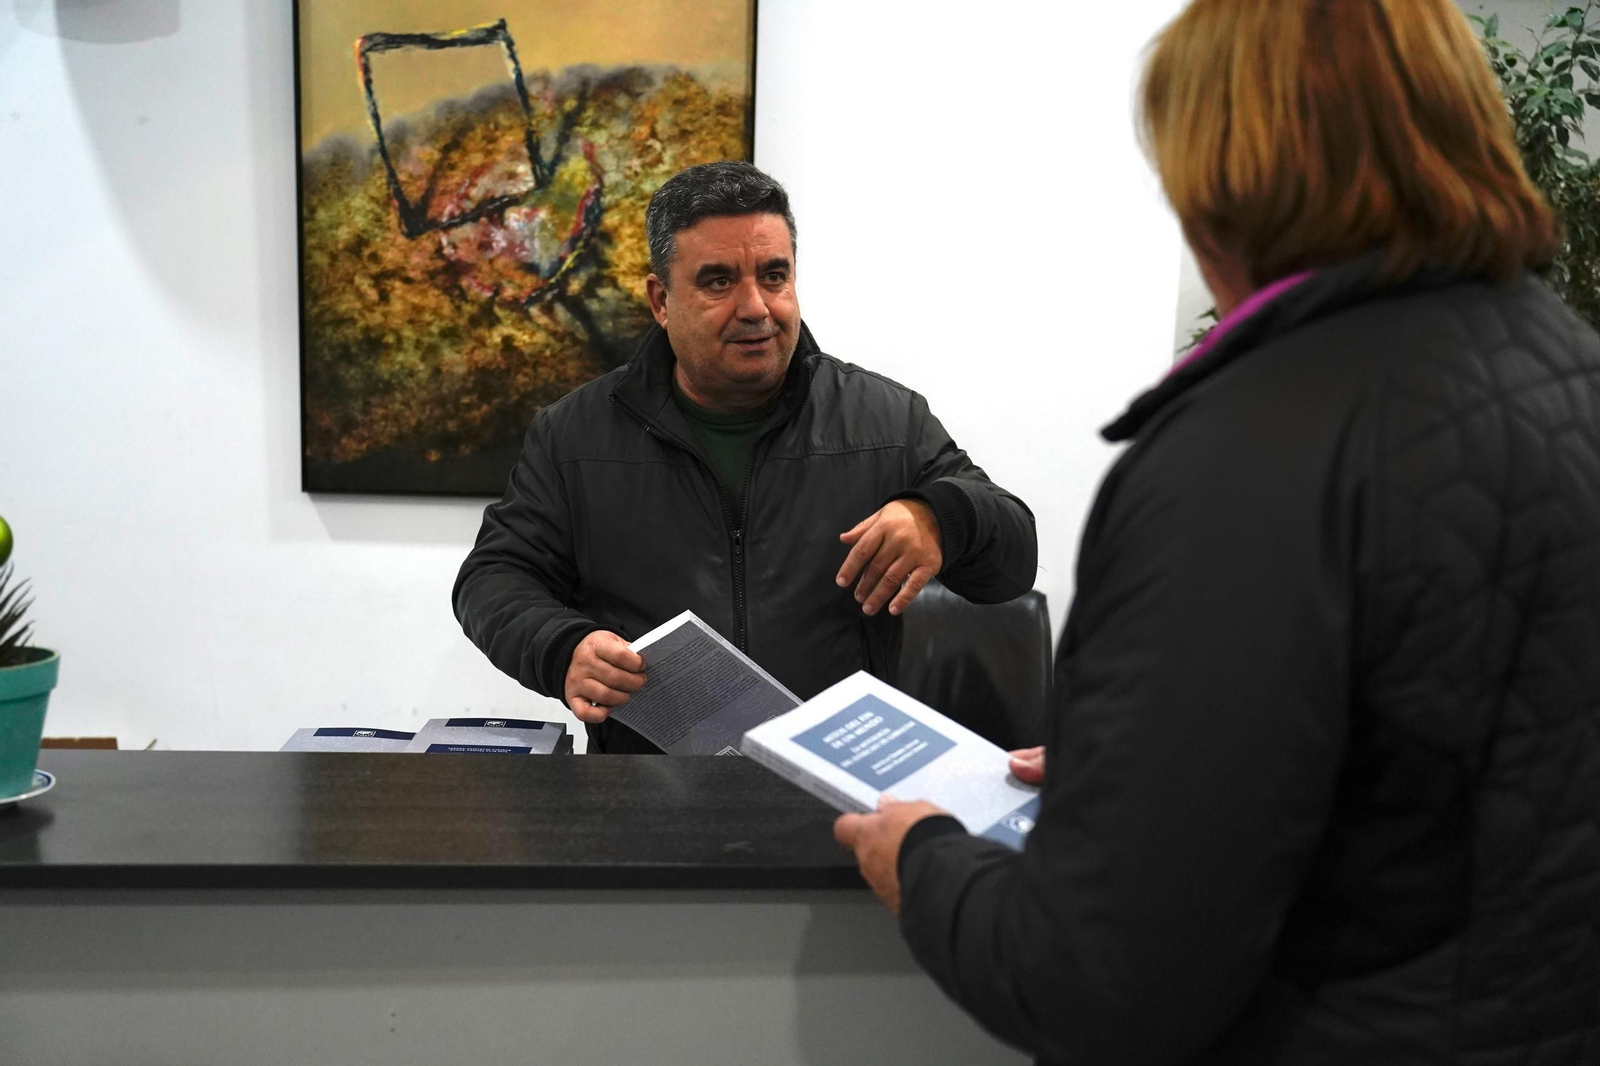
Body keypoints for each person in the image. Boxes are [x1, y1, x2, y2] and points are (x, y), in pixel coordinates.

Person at [834, 0, 1600, 1062]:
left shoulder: (1251, 446)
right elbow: (1464, 770)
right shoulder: (1565, 372)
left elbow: (1097, 981)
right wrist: (1148, 764)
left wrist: (924, 860)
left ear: (1222, 173)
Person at [454, 161, 1038, 753]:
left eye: (774, 275)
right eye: (718, 281)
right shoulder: (575, 436)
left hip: (832, 797)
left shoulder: (884, 421)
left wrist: (941, 518)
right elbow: (493, 578)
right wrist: (563, 648)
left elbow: (1014, 561)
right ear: (661, 300)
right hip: (643, 799)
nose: (756, 306)